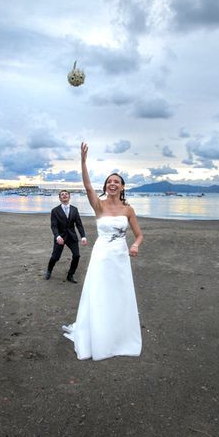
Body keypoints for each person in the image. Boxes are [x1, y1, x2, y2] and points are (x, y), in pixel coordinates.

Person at [62, 142, 143, 360]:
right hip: (102, 255)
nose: (112, 184)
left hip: (120, 257)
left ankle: (119, 334)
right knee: (100, 293)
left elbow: (139, 234)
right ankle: (98, 334)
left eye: (116, 181)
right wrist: (83, 161)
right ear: (106, 186)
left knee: (120, 294)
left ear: (123, 187)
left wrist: (135, 245)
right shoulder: (99, 205)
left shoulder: (128, 209)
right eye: (109, 182)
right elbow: (88, 187)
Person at [45, 190, 87, 283]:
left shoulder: (74, 209)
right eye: (62, 194)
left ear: (69, 197)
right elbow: (54, 226)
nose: (64, 195)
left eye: (66, 194)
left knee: (76, 256)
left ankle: (70, 275)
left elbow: (79, 224)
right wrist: (57, 236)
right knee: (55, 257)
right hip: (60, 237)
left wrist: (83, 236)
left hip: (72, 237)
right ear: (59, 198)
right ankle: (49, 270)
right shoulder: (55, 211)